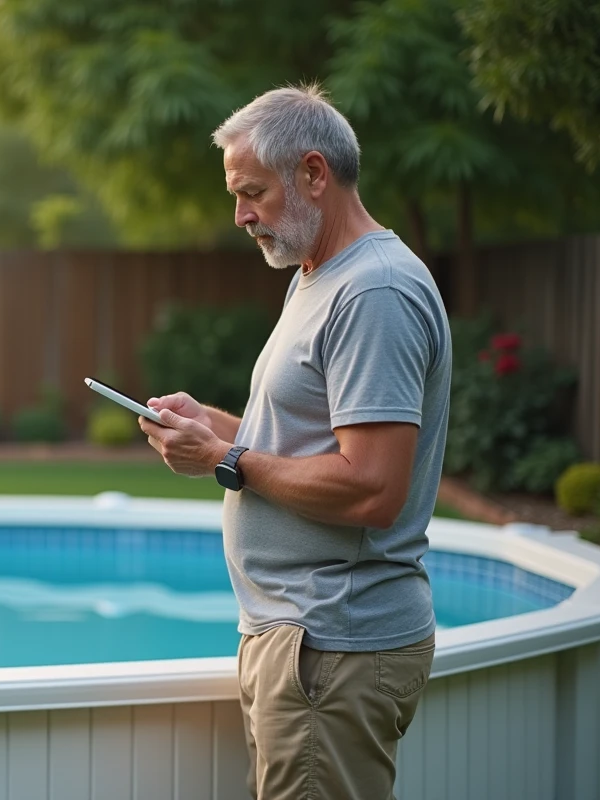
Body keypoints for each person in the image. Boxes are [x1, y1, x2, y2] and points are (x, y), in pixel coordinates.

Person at [140, 84, 451, 800]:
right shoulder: (319, 275)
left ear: (313, 173)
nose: (241, 216)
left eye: (253, 193)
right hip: (304, 643)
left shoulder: (374, 292)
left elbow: (372, 489)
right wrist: (210, 425)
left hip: (332, 645)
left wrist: (225, 459)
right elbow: (298, 439)